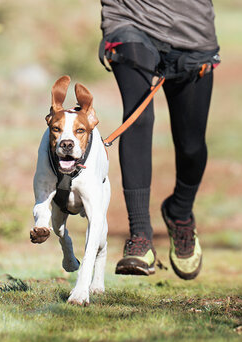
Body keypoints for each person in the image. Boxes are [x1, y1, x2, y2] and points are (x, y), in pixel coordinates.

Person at [98, 0, 220, 280]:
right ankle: (140, 235)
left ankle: (179, 212)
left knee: (191, 145)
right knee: (138, 116)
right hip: (127, 18)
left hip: (191, 32)